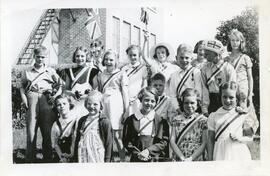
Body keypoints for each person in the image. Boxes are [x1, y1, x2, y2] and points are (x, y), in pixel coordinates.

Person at [20, 45, 63, 162]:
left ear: (46, 58)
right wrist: (24, 99)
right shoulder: (27, 71)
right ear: (34, 56)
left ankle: (48, 158)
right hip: (31, 99)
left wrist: (55, 96)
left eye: (43, 57)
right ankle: (30, 159)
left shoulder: (50, 71)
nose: (40, 59)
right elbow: (22, 87)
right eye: (38, 57)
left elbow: (60, 84)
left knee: (47, 131)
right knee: (31, 130)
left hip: (46, 100)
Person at [93, 49, 129, 161]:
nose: (109, 62)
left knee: (117, 135)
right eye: (107, 59)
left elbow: (125, 93)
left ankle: (123, 160)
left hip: (116, 106)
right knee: (105, 133)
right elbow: (98, 91)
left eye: (111, 60)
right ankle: (108, 159)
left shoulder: (121, 74)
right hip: (104, 105)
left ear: (116, 61)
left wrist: (126, 110)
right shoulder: (101, 75)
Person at [207, 82, 258, 160]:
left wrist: (239, 138)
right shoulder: (214, 116)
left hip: (238, 152)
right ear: (220, 97)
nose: (227, 100)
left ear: (237, 99)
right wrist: (210, 158)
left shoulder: (242, 114)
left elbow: (250, 138)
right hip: (220, 153)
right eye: (224, 97)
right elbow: (210, 139)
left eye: (231, 97)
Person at [123, 87, 169, 162]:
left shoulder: (161, 121)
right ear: (141, 100)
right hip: (136, 159)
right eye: (146, 100)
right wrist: (138, 154)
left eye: (152, 101)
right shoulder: (131, 120)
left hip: (154, 160)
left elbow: (163, 142)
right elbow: (127, 141)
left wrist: (148, 151)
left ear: (156, 102)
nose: (149, 103)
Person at [168, 43, 209, 115]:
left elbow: (198, 92)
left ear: (191, 58)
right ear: (176, 57)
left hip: (193, 107)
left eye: (187, 58)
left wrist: (193, 108)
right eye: (181, 57)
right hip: (179, 108)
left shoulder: (196, 72)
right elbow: (172, 95)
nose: (184, 60)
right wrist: (178, 110)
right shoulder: (174, 75)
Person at [73, 90, 113, 162]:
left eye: (95, 104)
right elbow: (78, 139)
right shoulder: (82, 120)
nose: (91, 106)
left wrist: (107, 160)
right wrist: (75, 157)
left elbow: (108, 142)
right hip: (83, 153)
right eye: (89, 104)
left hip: (98, 153)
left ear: (101, 105)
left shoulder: (104, 121)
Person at [59, 46, 100, 117]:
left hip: (88, 104)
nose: (80, 58)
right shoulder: (69, 71)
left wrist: (87, 96)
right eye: (77, 56)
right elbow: (66, 90)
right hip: (74, 103)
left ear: (86, 57)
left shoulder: (92, 71)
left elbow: (96, 91)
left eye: (82, 56)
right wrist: (72, 94)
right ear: (74, 57)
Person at [170, 88, 208, 161]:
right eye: (186, 103)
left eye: (192, 103)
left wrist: (191, 158)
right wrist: (182, 158)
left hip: (196, 158)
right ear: (182, 103)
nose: (189, 105)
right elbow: (172, 141)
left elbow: (204, 143)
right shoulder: (176, 120)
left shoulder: (203, 120)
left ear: (198, 103)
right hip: (179, 157)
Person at [201, 39, 237, 114]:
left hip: (226, 100)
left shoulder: (228, 68)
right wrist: (205, 109)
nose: (204, 56)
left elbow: (233, 89)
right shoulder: (205, 69)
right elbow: (204, 90)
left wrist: (232, 108)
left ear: (216, 54)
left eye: (207, 54)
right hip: (211, 102)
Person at [225, 29, 254, 110]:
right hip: (230, 91)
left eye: (237, 40)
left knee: (243, 114)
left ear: (241, 42)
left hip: (243, 91)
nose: (235, 43)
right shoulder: (226, 59)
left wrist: (250, 94)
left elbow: (250, 77)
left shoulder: (245, 58)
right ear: (229, 42)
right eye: (232, 40)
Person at [121, 45, 148, 115]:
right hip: (125, 99)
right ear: (128, 55)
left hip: (138, 99)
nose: (133, 57)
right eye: (130, 55)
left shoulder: (143, 68)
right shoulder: (124, 69)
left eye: (135, 55)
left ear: (139, 55)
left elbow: (144, 84)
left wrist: (139, 96)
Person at [51, 94, 77, 162]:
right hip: (63, 153)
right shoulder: (56, 124)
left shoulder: (76, 119)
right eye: (59, 105)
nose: (62, 106)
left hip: (76, 152)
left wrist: (72, 155)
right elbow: (55, 144)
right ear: (56, 107)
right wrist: (62, 157)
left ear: (69, 104)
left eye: (64, 103)